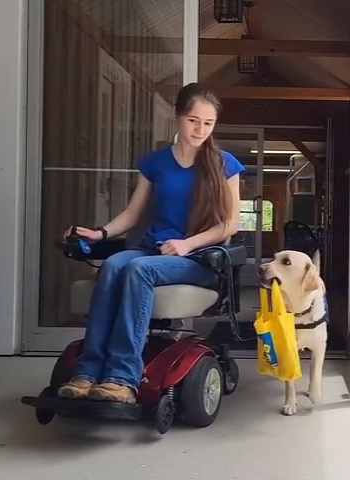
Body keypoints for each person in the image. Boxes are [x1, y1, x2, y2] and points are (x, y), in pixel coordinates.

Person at [57, 83, 245, 404]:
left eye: (208, 123)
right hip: (152, 249)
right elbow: (132, 214)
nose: (200, 129)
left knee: (139, 270)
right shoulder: (156, 163)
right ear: (177, 117)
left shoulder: (224, 163)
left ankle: (122, 378)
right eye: (193, 120)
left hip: (198, 259)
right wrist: (100, 233)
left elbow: (229, 223)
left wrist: (187, 244)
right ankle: (87, 373)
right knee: (115, 264)